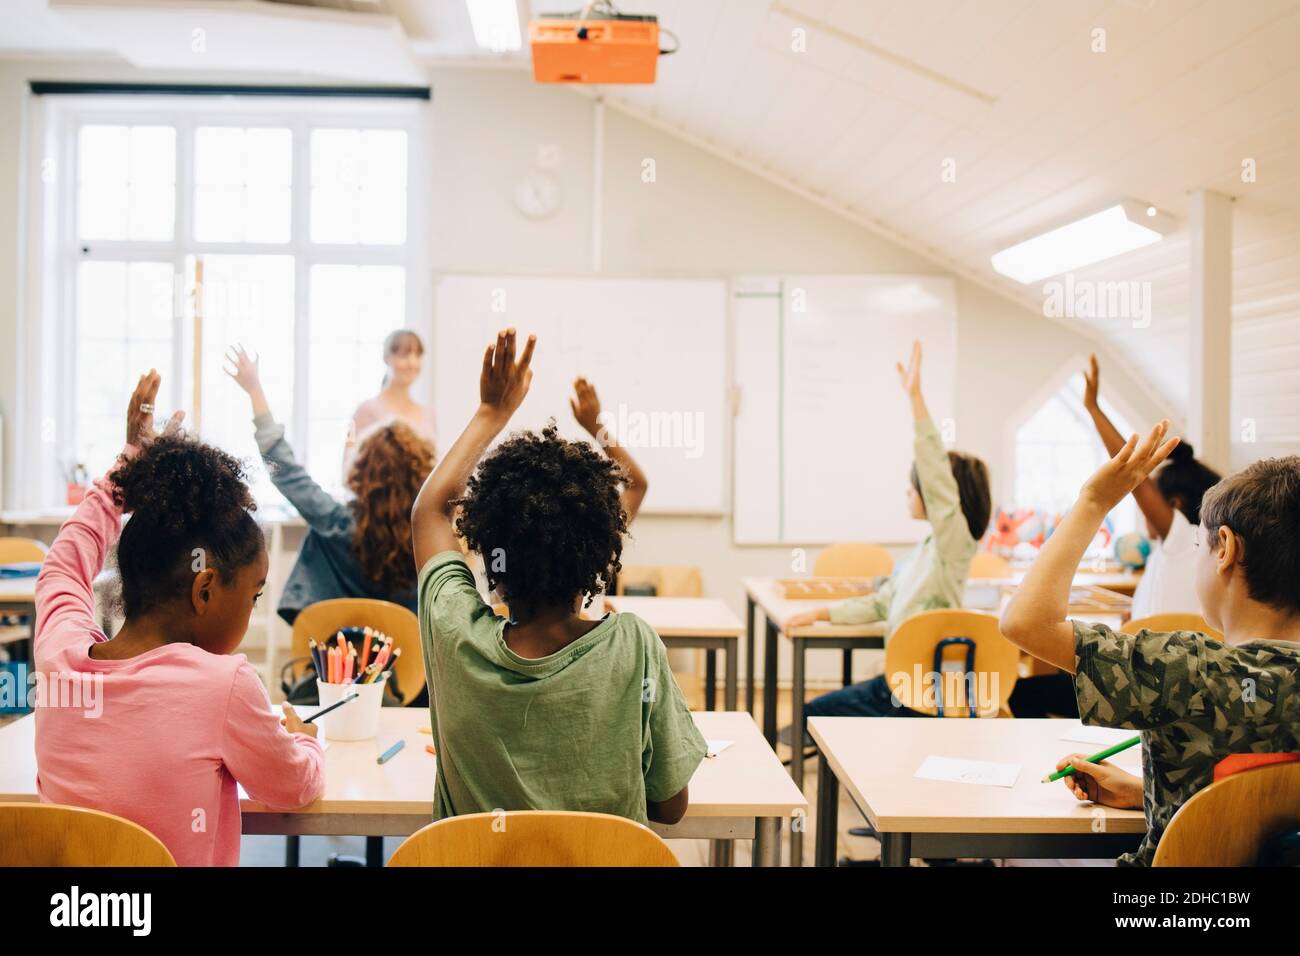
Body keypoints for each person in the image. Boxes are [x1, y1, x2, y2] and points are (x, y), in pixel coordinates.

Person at [410, 329, 707, 825]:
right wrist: (598, 427)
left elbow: (430, 513)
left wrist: (492, 412)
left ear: (488, 552)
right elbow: (669, 807)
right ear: (603, 559)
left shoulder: (453, 633)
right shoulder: (634, 646)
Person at [34, 370, 323, 866]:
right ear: (205, 589)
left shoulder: (58, 654)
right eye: (252, 595)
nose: (253, 607)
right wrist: (306, 741)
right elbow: (293, 784)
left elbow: (63, 563)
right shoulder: (223, 685)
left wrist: (126, 466)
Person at [1001, 426, 1300, 865]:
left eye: (1200, 543)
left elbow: (1024, 622)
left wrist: (1093, 501)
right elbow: (1270, 810)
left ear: (1225, 551)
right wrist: (1154, 793)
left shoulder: (1187, 670)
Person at [781, 341, 991, 735]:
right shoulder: (927, 551)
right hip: (899, 684)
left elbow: (936, 477)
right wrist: (821, 613)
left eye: (915, 488)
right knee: (808, 714)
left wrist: (915, 398)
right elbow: (883, 601)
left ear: (937, 495)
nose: (908, 493)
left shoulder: (953, 545)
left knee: (816, 721)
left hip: (924, 692)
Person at [225, 345, 435, 624]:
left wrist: (255, 390)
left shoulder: (335, 521)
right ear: (419, 475)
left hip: (331, 657)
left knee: (319, 533)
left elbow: (285, 470)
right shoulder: (426, 537)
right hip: (406, 661)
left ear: (362, 473)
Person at [344, 329, 437, 474]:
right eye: (404, 355)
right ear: (386, 358)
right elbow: (348, 467)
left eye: (418, 355)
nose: (412, 363)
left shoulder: (428, 414)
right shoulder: (365, 410)